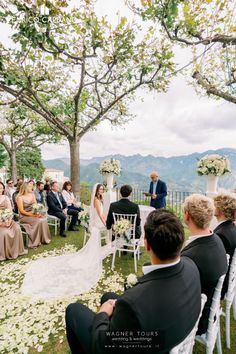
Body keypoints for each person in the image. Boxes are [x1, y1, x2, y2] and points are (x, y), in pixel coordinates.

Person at [65, 209, 202, 354]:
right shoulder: (191, 266)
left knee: (73, 310)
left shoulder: (133, 304)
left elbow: (102, 347)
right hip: (165, 331)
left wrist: (103, 314)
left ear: (147, 245)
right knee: (108, 297)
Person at [21, 183, 113, 298]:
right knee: (64, 216)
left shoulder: (60, 194)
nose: (101, 190)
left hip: (66, 209)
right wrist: (63, 210)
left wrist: (65, 207)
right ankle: (62, 231)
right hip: (55, 211)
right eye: (100, 189)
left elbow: (64, 202)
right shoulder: (50, 195)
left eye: (102, 189)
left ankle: (71, 226)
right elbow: (52, 206)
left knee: (75, 212)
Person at [181, 194, 228, 335]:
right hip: (209, 309)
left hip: (198, 319)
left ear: (187, 216)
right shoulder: (216, 239)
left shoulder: (191, 257)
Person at [16, 181, 51, 248]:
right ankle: (35, 241)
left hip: (33, 214)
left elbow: (36, 205)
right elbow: (21, 211)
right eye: (29, 186)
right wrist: (32, 215)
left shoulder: (32, 195)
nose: (31, 187)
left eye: (31, 186)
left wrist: (38, 213)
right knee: (37, 221)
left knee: (43, 219)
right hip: (24, 216)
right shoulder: (19, 197)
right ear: (25, 187)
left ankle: (43, 239)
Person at [214, 193, 236, 296]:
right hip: (230, 279)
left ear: (221, 209)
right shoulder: (232, 227)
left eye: (215, 204)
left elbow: (217, 267)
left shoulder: (221, 234)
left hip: (221, 285)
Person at [0, 181, 27, 261]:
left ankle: (18, 251)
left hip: (8, 219)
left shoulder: (6, 197)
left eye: (1, 188)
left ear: (3, 189)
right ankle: (5, 253)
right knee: (5, 233)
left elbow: (10, 210)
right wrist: (1, 223)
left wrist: (9, 220)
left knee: (17, 228)